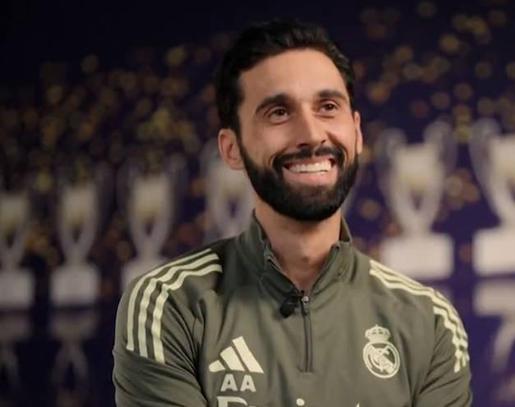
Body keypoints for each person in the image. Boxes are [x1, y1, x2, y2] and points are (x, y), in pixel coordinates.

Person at [113, 19, 471, 406]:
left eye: (328, 107)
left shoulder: (429, 322)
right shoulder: (169, 305)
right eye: (279, 113)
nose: (312, 134)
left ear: (357, 133)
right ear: (232, 148)